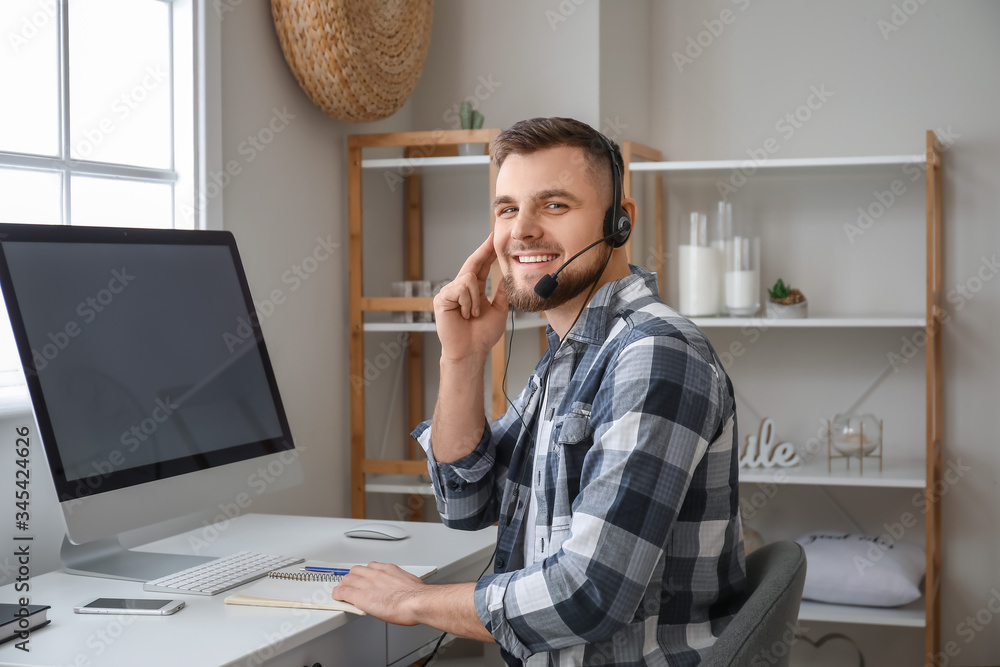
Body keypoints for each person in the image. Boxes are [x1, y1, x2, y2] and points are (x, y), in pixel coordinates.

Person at [332, 117, 747, 665]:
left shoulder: (654, 355)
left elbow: (589, 595)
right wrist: (463, 358)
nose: (521, 231)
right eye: (507, 209)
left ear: (620, 222)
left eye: (553, 205)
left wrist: (415, 601)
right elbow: (466, 501)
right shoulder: (571, 353)